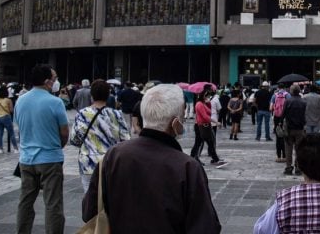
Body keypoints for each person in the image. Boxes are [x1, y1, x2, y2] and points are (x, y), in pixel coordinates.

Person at [82, 84, 222, 233]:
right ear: (175, 123)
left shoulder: (113, 155)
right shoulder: (188, 167)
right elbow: (206, 227)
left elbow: (89, 211)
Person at [15, 64, 68, 233]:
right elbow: (64, 133)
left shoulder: (20, 100)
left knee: (25, 201)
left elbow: (21, 127)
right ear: (47, 82)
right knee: (53, 204)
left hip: (26, 159)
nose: (56, 82)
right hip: (50, 159)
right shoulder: (55, 102)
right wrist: (56, 146)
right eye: (54, 79)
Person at [70, 79, 131, 192]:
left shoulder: (82, 114)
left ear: (91, 95)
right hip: (110, 163)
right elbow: (126, 139)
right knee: (110, 200)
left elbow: (74, 140)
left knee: (89, 199)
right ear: (108, 95)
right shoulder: (116, 115)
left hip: (88, 162)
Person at [190, 90, 227, 168]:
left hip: (205, 126)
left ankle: (192, 158)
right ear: (202, 96)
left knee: (199, 143)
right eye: (206, 96)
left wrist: (208, 103)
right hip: (203, 126)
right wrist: (216, 122)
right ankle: (215, 160)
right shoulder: (199, 104)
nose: (208, 97)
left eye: (208, 96)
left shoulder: (203, 104)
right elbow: (205, 116)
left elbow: (210, 113)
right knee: (209, 142)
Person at [282, 84, 307, 175]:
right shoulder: (303, 102)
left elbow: (283, 114)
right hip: (300, 129)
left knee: (288, 149)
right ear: (299, 91)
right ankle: (298, 168)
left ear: (291, 91)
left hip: (289, 128)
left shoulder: (287, 101)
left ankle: (288, 167)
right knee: (299, 149)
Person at [0, 86, 18, 154]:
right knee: (11, 133)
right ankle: (15, 148)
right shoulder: (8, 100)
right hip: (6, 116)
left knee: (0, 134)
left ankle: (1, 149)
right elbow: (11, 110)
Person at [271, 85, 290, 162]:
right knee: (285, 137)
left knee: (278, 137)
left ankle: (278, 157)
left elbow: (270, 107)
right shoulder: (287, 95)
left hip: (276, 117)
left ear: (278, 88)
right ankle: (285, 156)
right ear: (284, 88)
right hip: (285, 117)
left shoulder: (274, 95)